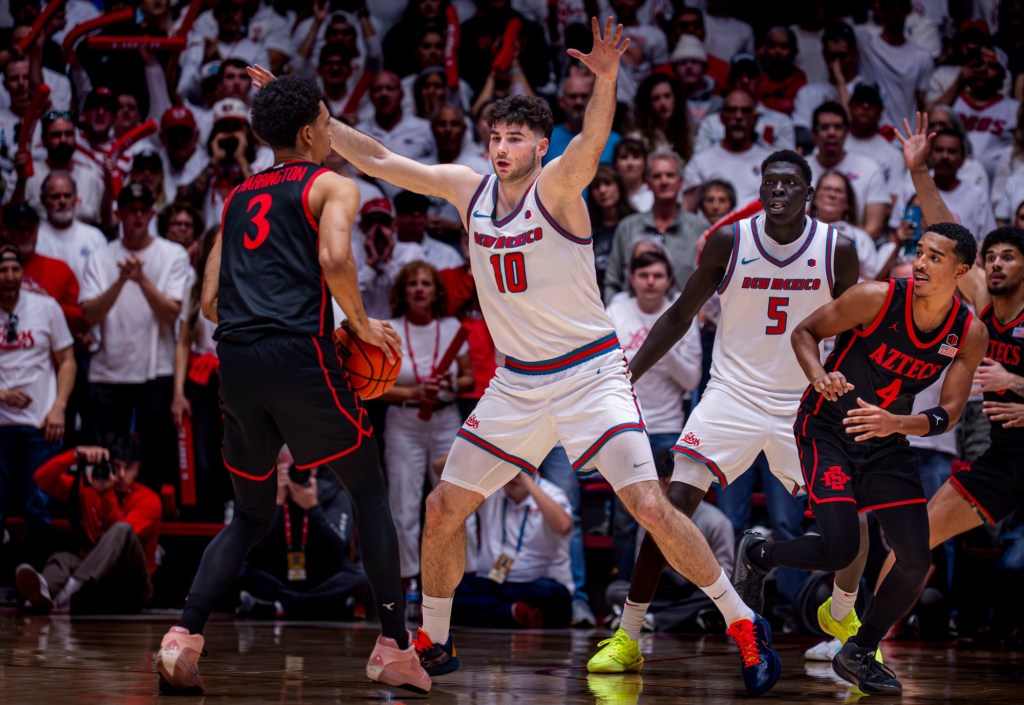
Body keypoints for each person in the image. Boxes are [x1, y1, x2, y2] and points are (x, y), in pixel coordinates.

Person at [250, 17, 781, 696]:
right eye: (495, 137)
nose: (501, 148)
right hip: (519, 384)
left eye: (514, 139)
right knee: (444, 507)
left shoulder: (559, 186)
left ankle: (742, 621)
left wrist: (609, 77)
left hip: (590, 374)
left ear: (538, 144)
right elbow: (379, 158)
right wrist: (310, 112)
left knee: (649, 503)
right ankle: (434, 641)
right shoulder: (467, 189)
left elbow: (592, 140)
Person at [154, 75, 430, 695]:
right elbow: (335, 260)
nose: (334, 132)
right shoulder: (334, 184)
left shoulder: (235, 197)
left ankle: (183, 637)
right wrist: (360, 326)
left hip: (238, 360)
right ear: (311, 133)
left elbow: (210, 304)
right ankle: (394, 647)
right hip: (297, 356)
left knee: (249, 514)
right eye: (330, 123)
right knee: (369, 493)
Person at [588, 149, 859, 674]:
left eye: (789, 184)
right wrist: (629, 374)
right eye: (770, 183)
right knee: (670, 510)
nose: (778, 191)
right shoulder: (731, 241)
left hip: (801, 402)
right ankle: (626, 635)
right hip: (730, 394)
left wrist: (856, 392)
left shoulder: (836, 250)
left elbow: (859, 329)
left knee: (849, 522)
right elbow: (679, 316)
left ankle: (839, 614)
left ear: (808, 194)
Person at [732, 173, 988, 694]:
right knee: (840, 547)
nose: (920, 262)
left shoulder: (969, 332)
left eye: (935, 257)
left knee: (917, 558)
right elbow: (804, 333)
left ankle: (859, 651)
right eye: (920, 252)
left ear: (961, 271)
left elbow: (950, 413)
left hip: (887, 439)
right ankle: (759, 555)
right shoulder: (875, 297)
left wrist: (900, 423)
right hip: (827, 427)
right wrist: (819, 375)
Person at [605, 248, 702, 578]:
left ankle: (662, 589)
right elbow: (603, 369)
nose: (650, 282)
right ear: (632, 279)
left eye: (658, 275)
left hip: (667, 428)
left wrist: (662, 343)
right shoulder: (617, 310)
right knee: (623, 515)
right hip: (625, 426)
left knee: (668, 513)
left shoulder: (681, 316)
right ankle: (621, 586)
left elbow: (691, 380)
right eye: (643, 275)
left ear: (669, 280)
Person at [380, 261, 472, 584]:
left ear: (436, 291)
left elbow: (468, 378)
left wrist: (448, 384)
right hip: (404, 421)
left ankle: (460, 582)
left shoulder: (450, 327)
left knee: (455, 499)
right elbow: (373, 387)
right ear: (403, 292)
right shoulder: (388, 328)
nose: (419, 288)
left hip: (445, 417)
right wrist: (414, 390)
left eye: (426, 283)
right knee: (403, 505)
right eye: (413, 283)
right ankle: (405, 582)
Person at [16, 433, 160, 615]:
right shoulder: (89, 489)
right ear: (107, 465)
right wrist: (76, 454)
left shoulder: (149, 499)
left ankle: (67, 591)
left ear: (138, 468)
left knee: (122, 529)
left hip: (132, 585)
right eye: (116, 466)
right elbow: (41, 478)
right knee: (62, 558)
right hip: (96, 580)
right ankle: (42, 593)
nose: (122, 475)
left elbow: (123, 539)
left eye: (129, 467)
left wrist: (106, 494)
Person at [236, 447, 373, 621]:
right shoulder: (262, 491)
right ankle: (326, 607)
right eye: (283, 464)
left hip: (322, 578)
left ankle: (278, 608)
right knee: (238, 571)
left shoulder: (335, 490)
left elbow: (340, 546)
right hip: (277, 578)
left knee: (363, 577)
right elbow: (254, 547)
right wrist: (276, 503)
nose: (293, 470)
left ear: (314, 466)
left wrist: (314, 508)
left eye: (300, 465)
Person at [0, 244, 74, 546]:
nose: (9, 276)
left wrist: (59, 407)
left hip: (41, 422)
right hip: (1, 423)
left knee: (38, 505)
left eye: (15, 269)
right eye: (2, 270)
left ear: (22, 272)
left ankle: (41, 579)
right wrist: (2, 394)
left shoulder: (46, 307)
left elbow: (67, 360)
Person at [452, 470, 574, 629]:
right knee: (453, 591)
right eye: (510, 470)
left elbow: (563, 525)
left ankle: (505, 613)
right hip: (495, 583)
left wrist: (528, 482)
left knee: (556, 597)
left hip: (535, 585)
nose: (513, 476)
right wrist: (490, 459)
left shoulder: (552, 493)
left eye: (518, 471)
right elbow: (440, 468)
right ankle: (514, 613)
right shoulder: (492, 490)